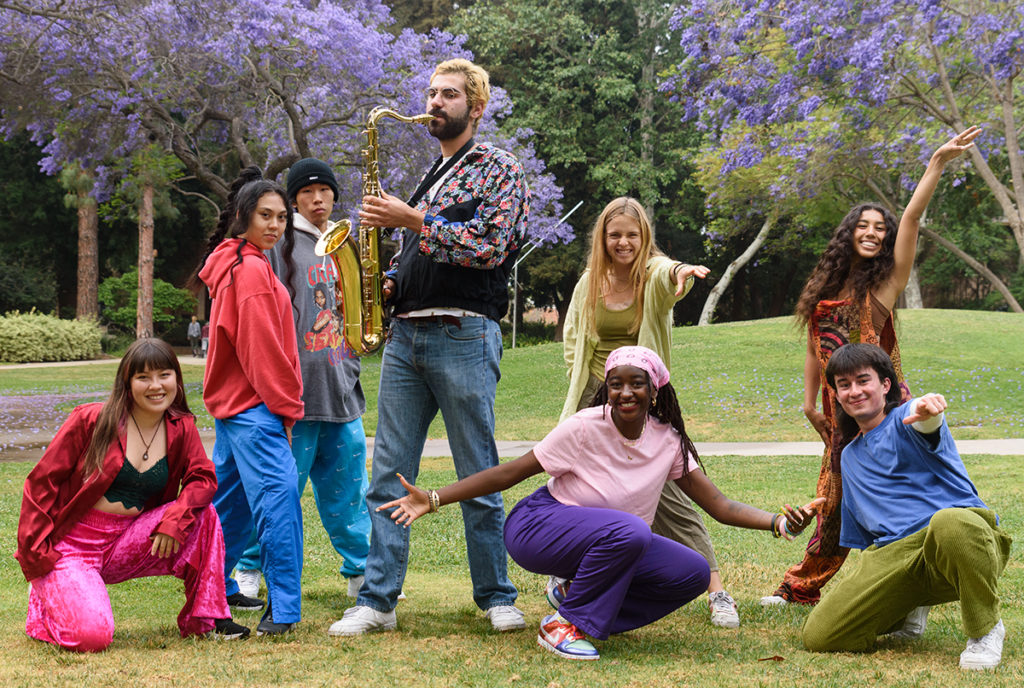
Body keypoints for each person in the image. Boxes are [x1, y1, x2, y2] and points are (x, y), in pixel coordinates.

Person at [378, 346, 823, 660]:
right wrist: (435, 498)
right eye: (616, 384)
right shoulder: (585, 427)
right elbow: (510, 473)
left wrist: (778, 523)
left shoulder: (668, 442)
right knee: (630, 529)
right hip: (539, 527)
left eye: (636, 384)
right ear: (606, 388)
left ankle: (573, 600)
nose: (625, 393)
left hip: (611, 540)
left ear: (655, 390)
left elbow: (719, 505)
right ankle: (562, 628)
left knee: (690, 572)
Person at [330, 58, 530, 636]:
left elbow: (492, 247)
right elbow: (418, 253)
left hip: (464, 333)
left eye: (449, 95)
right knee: (388, 471)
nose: (435, 103)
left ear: (477, 105)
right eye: (432, 93)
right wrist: (383, 283)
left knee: (477, 470)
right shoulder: (431, 175)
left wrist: (411, 218)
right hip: (407, 336)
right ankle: (378, 601)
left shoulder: (499, 169)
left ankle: (496, 596)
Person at [762, 126, 982, 606]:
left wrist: (936, 164)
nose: (873, 233)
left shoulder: (887, 283)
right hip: (838, 403)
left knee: (871, 490)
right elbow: (813, 348)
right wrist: (808, 403)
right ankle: (808, 584)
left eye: (879, 229)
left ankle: (819, 584)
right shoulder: (825, 287)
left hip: (879, 404)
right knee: (838, 494)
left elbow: (911, 218)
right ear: (849, 233)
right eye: (864, 226)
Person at [562, 197, 745, 627]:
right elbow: (573, 335)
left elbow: (668, 276)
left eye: (632, 234)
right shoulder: (590, 281)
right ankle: (573, 582)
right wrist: (586, 382)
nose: (623, 242)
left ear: (644, 238)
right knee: (585, 493)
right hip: (596, 393)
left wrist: (682, 271)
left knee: (670, 494)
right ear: (602, 240)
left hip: (643, 398)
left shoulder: (653, 276)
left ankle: (716, 590)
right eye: (615, 235)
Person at [16, 338, 248, 651]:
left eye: (164, 375)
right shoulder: (90, 420)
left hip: (128, 541)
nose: (156, 386)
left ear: (177, 380)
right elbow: (42, 483)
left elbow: (202, 478)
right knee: (92, 638)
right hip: (72, 548)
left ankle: (205, 619)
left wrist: (174, 520)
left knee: (204, 516)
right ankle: (51, 591)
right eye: (143, 377)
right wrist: (36, 553)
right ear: (127, 383)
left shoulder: (182, 427)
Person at [801, 343, 1011, 670]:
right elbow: (868, 539)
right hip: (894, 554)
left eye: (863, 380)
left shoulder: (907, 417)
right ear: (837, 395)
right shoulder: (850, 457)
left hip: (956, 540)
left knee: (949, 522)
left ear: (886, 385)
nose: (854, 391)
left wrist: (929, 412)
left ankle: (985, 629)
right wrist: (875, 594)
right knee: (820, 635)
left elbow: (927, 423)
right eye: (844, 385)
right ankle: (909, 608)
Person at [233, 158, 371, 603]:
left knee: (350, 491)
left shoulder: (342, 244)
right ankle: (249, 569)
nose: (318, 199)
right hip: (292, 395)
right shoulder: (278, 241)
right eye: (307, 192)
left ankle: (362, 573)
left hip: (339, 386)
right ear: (293, 199)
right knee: (275, 490)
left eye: (325, 191)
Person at [193, 168, 305, 636]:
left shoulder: (232, 260)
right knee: (278, 504)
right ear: (243, 216)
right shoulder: (253, 270)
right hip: (257, 409)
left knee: (231, 506)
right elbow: (262, 352)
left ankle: (211, 591)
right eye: (266, 216)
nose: (275, 226)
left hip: (233, 409)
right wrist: (288, 407)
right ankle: (282, 607)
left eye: (282, 217)